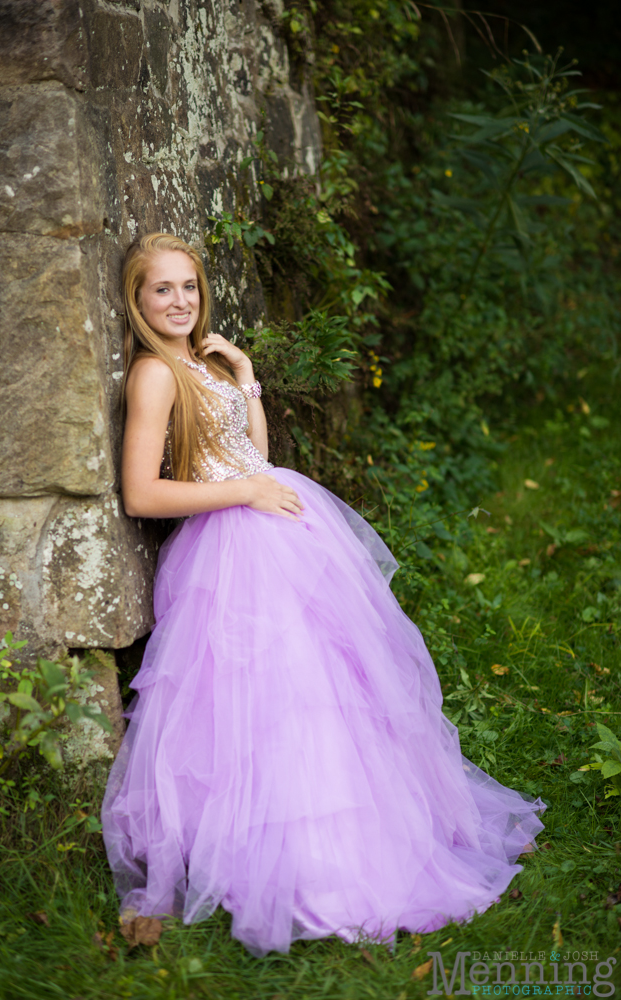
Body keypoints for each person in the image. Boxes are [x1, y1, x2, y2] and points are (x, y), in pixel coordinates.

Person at [101, 232, 544, 958]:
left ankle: (364, 832)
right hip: (233, 545)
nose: (178, 301)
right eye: (162, 290)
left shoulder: (199, 359)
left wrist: (243, 375)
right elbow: (142, 492)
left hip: (276, 524)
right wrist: (245, 491)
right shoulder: (154, 373)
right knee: (271, 697)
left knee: (332, 685)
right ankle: (297, 859)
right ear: (138, 299)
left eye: (188, 286)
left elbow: (256, 452)